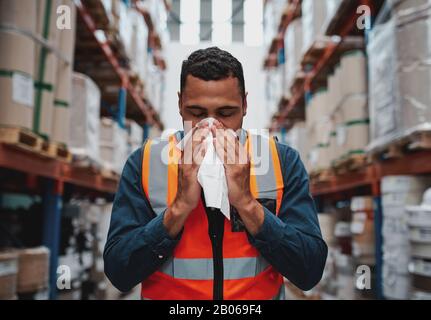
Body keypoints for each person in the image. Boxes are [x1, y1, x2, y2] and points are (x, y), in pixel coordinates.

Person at [103, 47, 327, 300]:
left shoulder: (280, 161)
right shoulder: (145, 163)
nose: (210, 126)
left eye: (226, 113)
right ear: (180, 104)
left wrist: (247, 204)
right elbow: (119, 272)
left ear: (244, 105)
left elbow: (309, 271)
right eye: (196, 114)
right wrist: (178, 209)